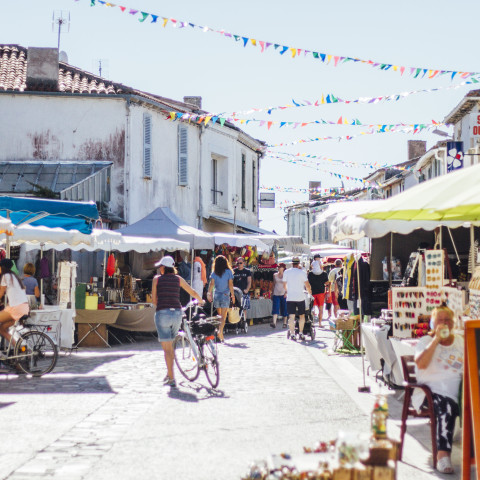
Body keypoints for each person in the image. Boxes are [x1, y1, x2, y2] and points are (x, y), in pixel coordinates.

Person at [414, 304, 463, 474]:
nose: (444, 324)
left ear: (453, 323)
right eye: (440, 320)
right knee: (447, 406)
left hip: (461, 393)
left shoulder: (460, 341)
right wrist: (436, 339)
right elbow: (421, 363)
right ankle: (443, 454)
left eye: (447, 320)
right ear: (433, 324)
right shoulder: (425, 341)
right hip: (431, 392)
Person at [151, 256, 204, 388]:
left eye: (160, 267)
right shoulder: (178, 279)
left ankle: (172, 378)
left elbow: (154, 300)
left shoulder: (156, 280)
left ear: (163, 268)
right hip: (177, 314)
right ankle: (169, 374)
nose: (159, 269)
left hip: (163, 314)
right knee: (171, 347)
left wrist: (161, 308)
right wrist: (201, 300)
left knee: (167, 350)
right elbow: (192, 291)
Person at [0, 258, 29, 349]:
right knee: (2, 329)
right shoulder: (14, 276)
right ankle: (19, 349)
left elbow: (1, 292)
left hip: (16, 308)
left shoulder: (6, 276)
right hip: (23, 307)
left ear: (2, 267)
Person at [207, 255, 235, 343]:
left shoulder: (214, 272)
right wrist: (233, 295)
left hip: (217, 295)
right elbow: (230, 285)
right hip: (225, 295)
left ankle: (220, 333)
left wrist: (209, 293)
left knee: (219, 316)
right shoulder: (228, 272)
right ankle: (220, 331)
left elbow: (211, 284)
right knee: (223, 316)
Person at [283, 256, 312, 341]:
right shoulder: (302, 273)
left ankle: (292, 334)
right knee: (302, 316)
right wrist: (310, 293)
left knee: (291, 316)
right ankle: (301, 333)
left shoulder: (287, 272)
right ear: (298, 264)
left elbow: (284, 285)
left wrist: (287, 291)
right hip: (300, 297)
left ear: (292, 263)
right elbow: (307, 285)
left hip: (290, 297)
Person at [307, 255, 329, 327]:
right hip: (321, 292)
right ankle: (320, 323)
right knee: (321, 308)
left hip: (312, 292)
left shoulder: (310, 274)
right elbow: (326, 283)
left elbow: (308, 283)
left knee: (312, 309)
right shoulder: (324, 274)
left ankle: (312, 322)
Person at [270, 263, 287, 328]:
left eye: (280, 267)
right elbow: (274, 284)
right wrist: (272, 292)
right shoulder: (275, 275)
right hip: (276, 293)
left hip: (283, 294)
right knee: (275, 308)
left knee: (284, 308)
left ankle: (285, 322)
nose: (278, 268)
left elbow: (287, 285)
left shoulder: (286, 275)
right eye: (278, 267)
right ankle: (274, 322)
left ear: (283, 268)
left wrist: (286, 292)